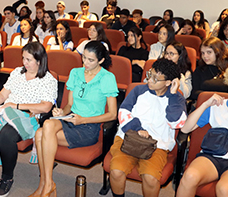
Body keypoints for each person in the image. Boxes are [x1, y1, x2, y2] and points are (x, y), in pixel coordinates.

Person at [0, 42, 57, 197]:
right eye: (23, 58)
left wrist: (17, 105)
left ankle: (7, 178)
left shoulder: (48, 80)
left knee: (6, 136)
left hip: (27, 117)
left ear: (39, 61)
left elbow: (46, 107)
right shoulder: (17, 73)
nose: (24, 63)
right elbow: (2, 95)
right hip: (6, 112)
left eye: (28, 60)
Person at [30, 41, 118, 197]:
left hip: (88, 127)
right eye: (84, 58)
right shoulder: (75, 73)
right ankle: (46, 184)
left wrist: (83, 120)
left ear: (101, 60)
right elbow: (69, 104)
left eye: (91, 60)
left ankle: (46, 185)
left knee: (41, 134)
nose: (85, 63)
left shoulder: (107, 77)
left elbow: (112, 114)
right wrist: (60, 112)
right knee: (46, 126)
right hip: (69, 119)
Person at [109, 58, 187, 197]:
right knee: (116, 171)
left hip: (157, 145)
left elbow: (176, 123)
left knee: (151, 178)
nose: (150, 80)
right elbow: (123, 112)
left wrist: (173, 95)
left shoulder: (176, 99)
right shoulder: (139, 90)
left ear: (169, 82)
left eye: (156, 79)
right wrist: (138, 128)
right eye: (150, 75)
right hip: (130, 138)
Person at [176, 93, 228, 197]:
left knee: (224, 189)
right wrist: (205, 105)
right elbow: (185, 129)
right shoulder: (217, 106)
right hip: (212, 156)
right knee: (190, 176)